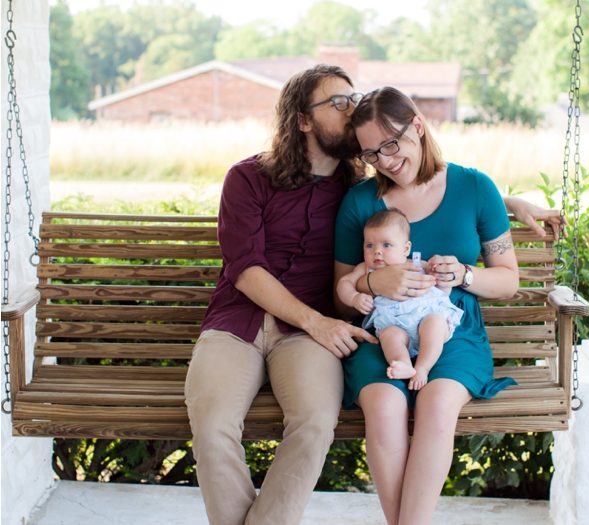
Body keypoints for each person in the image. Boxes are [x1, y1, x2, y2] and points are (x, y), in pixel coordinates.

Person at [186, 63, 561, 525]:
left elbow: (440, 187)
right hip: (270, 324)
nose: (352, 112)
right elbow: (257, 272)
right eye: (338, 103)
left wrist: (505, 213)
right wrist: (351, 297)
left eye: (353, 99)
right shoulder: (295, 186)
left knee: (352, 417)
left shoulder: (367, 185)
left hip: (385, 332)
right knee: (220, 423)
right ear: (303, 119)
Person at [333, 86, 525, 525]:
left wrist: (465, 275)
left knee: (438, 406)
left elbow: (508, 281)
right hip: (384, 331)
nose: (383, 159)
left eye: (390, 144)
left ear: (416, 126)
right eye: (370, 153)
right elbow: (340, 297)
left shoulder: (476, 187)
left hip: (452, 332)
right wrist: (371, 279)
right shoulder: (361, 202)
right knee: (384, 406)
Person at [337, 208, 463, 390]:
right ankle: (402, 364)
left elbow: (443, 289)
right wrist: (354, 297)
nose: (377, 252)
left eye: (386, 245)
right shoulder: (365, 268)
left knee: (434, 324)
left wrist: (440, 272)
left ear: (406, 249)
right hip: (394, 324)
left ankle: (422, 368)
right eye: (369, 245)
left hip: (426, 317)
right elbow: (344, 283)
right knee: (390, 336)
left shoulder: (418, 264)